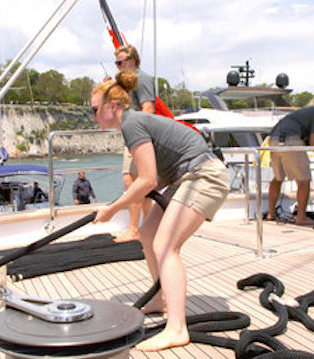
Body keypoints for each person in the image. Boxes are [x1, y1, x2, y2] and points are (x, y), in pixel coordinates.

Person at [91, 71, 230, 351]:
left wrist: (112, 209)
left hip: (204, 176)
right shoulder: (132, 124)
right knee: (148, 233)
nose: (92, 115)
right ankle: (161, 298)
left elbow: (148, 181)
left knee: (165, 245)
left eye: (94, 109)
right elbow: (153, 176)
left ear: (113, 106)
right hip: (186, 177)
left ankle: (177, 328)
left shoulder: (132, 124)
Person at [266, 90, 314, 225]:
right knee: (304, 180)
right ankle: (301, 217)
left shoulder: (308, 111)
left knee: (278, 178)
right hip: (291, 140)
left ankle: (271, 214)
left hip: (274, 138)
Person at [113, 44, 155, 243]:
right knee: (138, 185)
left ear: (132, 61)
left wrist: (138, 131)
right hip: (131, 135)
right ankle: (148, 227)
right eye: (117, 63)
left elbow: (148, 108)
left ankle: (134, 229)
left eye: (120, 63)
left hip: (138, 136)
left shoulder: (142, 79)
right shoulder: (127, 83)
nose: (118, 66)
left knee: (133, 183)